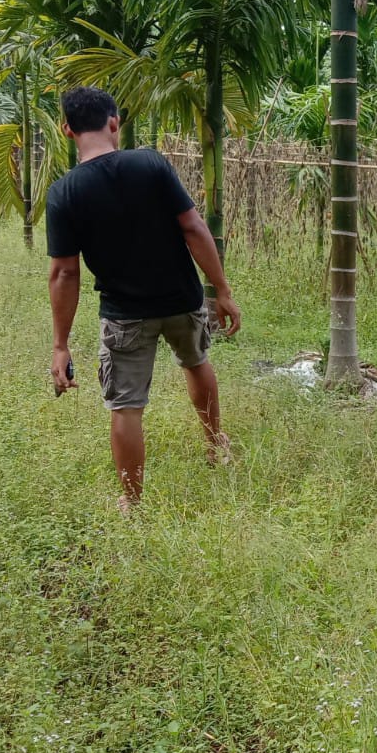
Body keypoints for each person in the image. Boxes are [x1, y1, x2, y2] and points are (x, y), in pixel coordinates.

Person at [46, 87, 241, 512]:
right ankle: (216, 444)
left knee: (127, 408)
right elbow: (194, 228)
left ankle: (132, 502)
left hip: (124, 314)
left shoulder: (64, 193)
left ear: (67, 131)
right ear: (114, 123)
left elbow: (65, 271)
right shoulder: (150, 163)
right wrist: (221, 291)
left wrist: (61, 346)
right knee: (197, 363)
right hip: (181, 299)